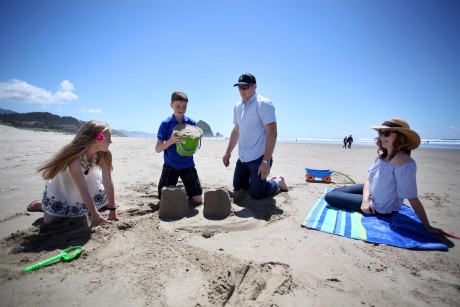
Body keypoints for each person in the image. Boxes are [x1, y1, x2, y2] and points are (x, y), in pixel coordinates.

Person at [324, 118, 460, 239]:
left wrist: (428, 226)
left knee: (330, 196)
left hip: (378, 206)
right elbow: (369, 180)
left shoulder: (402, 161)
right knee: (338, 192)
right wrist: (365, 200)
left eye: (387, 133)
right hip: (370, 193)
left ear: (400, 137)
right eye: (380, 133)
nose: (382, 136)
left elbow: (412, 197)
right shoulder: (382, 155)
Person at [27, 120, 120, 228]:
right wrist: (96, 217)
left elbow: (108, 181)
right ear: (97, 139)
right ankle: (43, 204)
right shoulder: (75, 159)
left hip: (88, 180)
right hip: (67, 186)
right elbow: (82, 188)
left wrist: (113, 210)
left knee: (107, 204)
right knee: (50, 221)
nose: (111, 142)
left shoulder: (105, 154)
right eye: (108, 139)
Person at [223, 73, 288, 200]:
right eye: (239, 87)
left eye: (245, 87)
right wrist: (228, 152)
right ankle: (258, 181)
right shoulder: (238, 106)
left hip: (259, 158)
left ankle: (278, 182)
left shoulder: (264, 104)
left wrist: (265, 161)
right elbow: (236, 130)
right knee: (239, 187)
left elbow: (272, 132)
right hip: (243, 158)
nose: (242, 90)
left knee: (257, 194)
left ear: (254, 86)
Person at [155, 91, 203, 205]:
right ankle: (182, 190)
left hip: (187, 165)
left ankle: (186, 190)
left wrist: (192, 142)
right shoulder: (165, 124)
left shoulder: (191, 123)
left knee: (198, 200)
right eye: (177, 106)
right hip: (170, 165)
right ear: (171, 105)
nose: (181, 109)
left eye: (184, 106)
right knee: (163, 198)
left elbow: (195, 145)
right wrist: (171, 141)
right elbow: (157, 149)